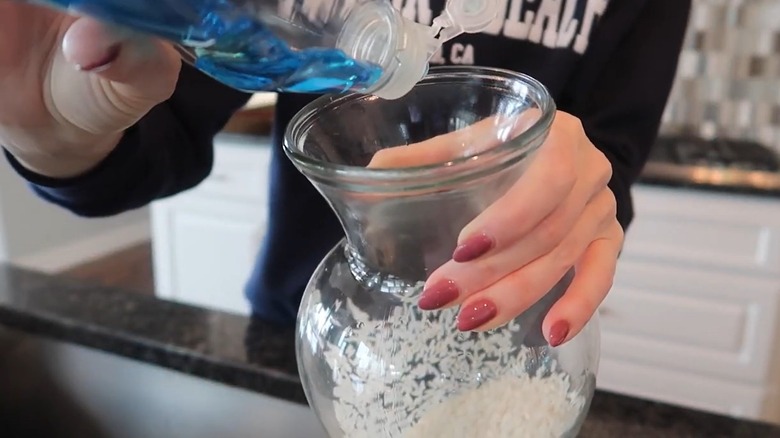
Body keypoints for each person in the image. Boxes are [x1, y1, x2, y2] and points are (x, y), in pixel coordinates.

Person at [0, 0, 691, 347]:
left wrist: (579, 186)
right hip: (318, 325)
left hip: (516, 334)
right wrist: (55, 133)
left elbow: (608, 170)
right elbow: (157, 132)